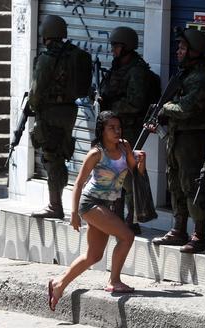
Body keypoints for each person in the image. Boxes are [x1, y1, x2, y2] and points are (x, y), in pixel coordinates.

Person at [47, 111, 146, 311]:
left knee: (93, 255)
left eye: (118, 127)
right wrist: (74, 214)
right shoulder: (96, 153)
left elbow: (134, 171)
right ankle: (114, 281)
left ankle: (59, 284)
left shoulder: (125, 145)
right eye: (112, 128)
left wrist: (141, 162)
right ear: (102, 130)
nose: (117, 131)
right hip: (90, 204)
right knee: (127, 236)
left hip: (107, 205)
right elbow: (78, 183)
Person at [150, 28, 205, 253]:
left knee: (191, 185)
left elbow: (186, 108)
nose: (178, 51)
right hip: (177, 135)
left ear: (194, 51)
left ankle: (199, 234)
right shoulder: (185, 73)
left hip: (192, 137)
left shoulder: (201, 76)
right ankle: (178, 229)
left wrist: (163, 108)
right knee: (174, 182)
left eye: (183, 48)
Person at [29, 15, 92, 219]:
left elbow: (36, 91)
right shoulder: (74, 55)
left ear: (45, 33)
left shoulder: (47, 58)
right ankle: (57, 202)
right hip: (70, 111)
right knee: (61, 154)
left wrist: (32, 106)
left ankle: (55, 206)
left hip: (51, 112)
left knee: (51, 156)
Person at [99, 26, 156, 235]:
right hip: (116, 128)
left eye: (116, 46)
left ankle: (132, 220)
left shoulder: (137, 71)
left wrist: (112, 106)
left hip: (130, 129)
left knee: (130, 176)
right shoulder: (118, 67)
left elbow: (135, 103)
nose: (113, 50)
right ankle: (118, 217)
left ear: (126, 47)